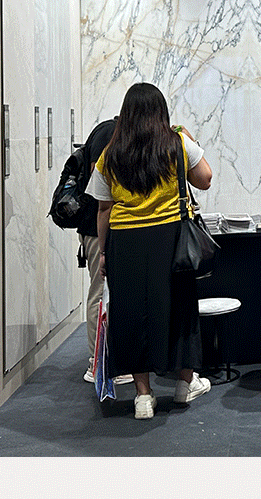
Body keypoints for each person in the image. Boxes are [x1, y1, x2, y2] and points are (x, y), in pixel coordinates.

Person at [85, 82, 214, 420]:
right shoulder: (177, 142)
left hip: (126, 241)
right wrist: (191, 142)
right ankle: (184, 386)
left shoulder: (111, 154)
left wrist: (103, 253)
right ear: (161, 111)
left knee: (131, 315)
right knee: (180, 309)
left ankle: (143, 397)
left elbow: (103, 208)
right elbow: (205, 179)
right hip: (171, 238)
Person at [75, 116, 130, 386]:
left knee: (106, 293)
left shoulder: (110, 132)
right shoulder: (110, 134)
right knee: (100, 294)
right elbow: (101, 190)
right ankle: (97, 364)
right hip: (98, 228)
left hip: (102, 226)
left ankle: (106, 360)